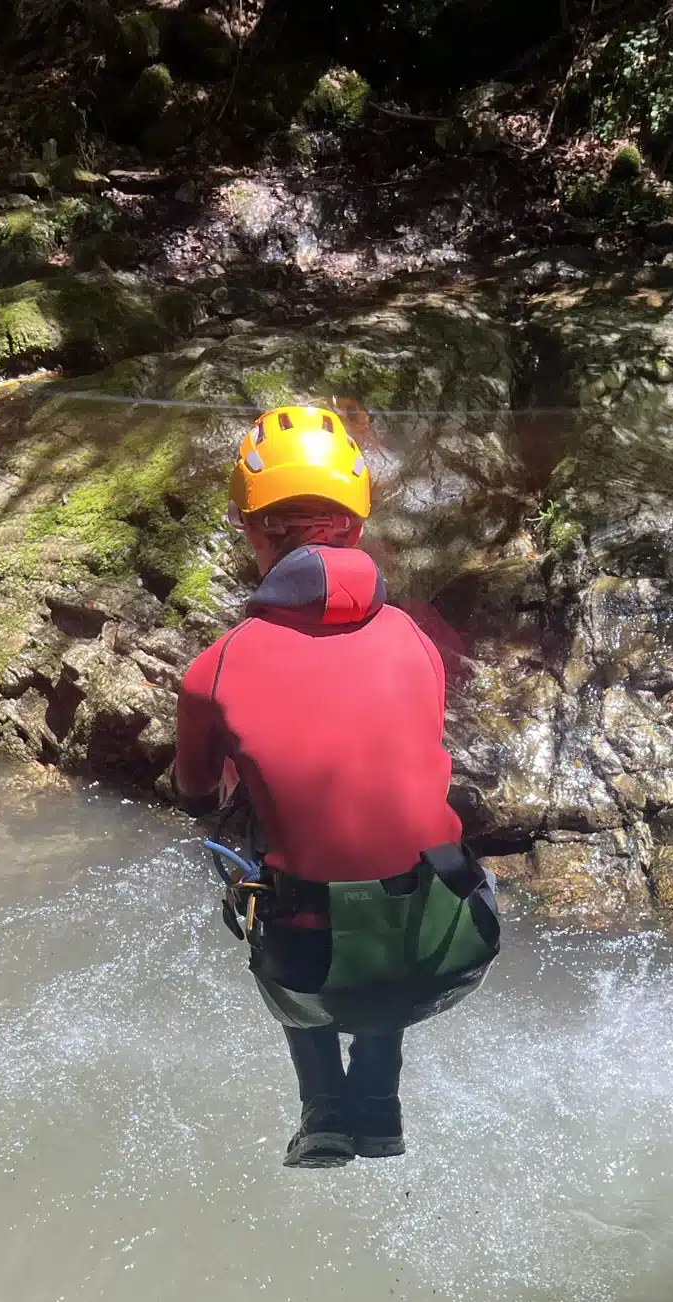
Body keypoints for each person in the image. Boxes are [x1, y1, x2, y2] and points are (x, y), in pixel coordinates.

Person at [174, 404, 500, 1167]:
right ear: (356, 525)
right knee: (387, 895)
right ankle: (378, 1104)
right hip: (451, 942)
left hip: (310, 965)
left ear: (250, 528)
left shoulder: (215, 666)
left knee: (280, 896)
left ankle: (323, 1107)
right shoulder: (414, 638)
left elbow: (195, 794)